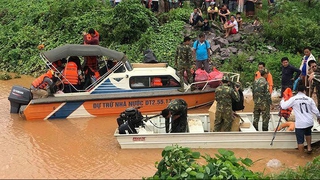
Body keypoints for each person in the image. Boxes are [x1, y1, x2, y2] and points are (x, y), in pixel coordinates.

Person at [280, 81, 320, 154]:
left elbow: (284, 106)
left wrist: (283, 100)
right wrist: (318, 117)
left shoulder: (294, 99)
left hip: (300, 123)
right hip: (309, 122)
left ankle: (301, 156)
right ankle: (309, 148)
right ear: (305, 91)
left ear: (298, 91)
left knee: (300, 140)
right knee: (308, 133)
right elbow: (316, 111)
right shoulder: (309, 99)